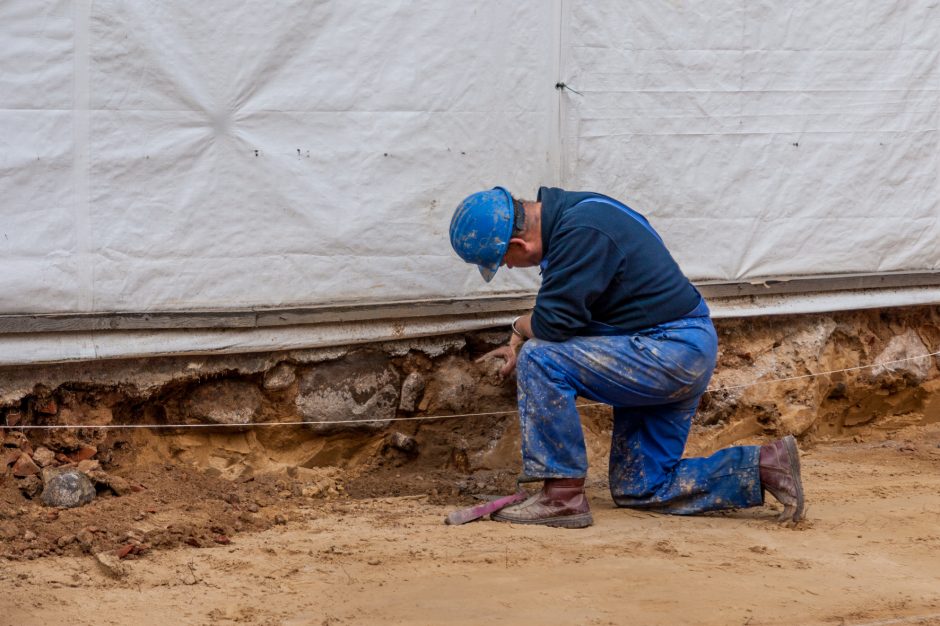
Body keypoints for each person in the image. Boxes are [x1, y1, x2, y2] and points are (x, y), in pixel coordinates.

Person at [448, 186, 805, 529]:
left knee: (541, 359)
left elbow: (553, 324)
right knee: (641, 486)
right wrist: (518, 334)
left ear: (517, 243)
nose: (508, 268)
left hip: (667, 350)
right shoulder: (578, 215)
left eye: (504, 261)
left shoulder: (581, 232)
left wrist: (520, 328)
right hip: (670, 346)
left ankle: (561, 497)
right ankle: (765, 466)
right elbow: (559, 311)